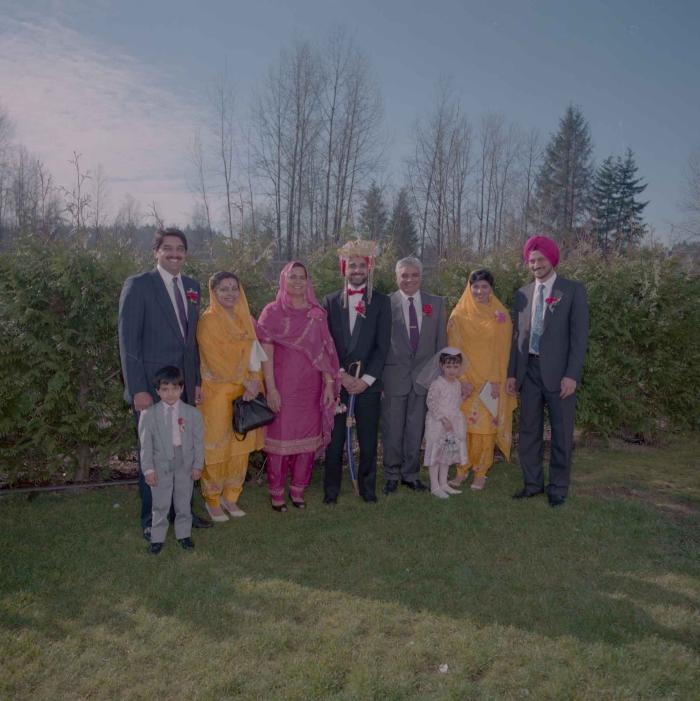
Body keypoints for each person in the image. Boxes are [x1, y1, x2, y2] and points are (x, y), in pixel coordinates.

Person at [118, 227, 212, 540]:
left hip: (182, 388)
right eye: (167, 248)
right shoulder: (139, 285)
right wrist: (137, 389)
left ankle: (182, 511)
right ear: (155, 251)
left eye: (180, 249)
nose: (174, 254)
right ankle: (152, 519)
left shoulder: (192, 286)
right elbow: (128, 341)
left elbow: (191, 342)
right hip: (152, 389)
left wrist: (195, 381)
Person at [507, 236, 589, 507]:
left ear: (552, 259)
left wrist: (572, 375)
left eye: (540, 259)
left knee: (561, 432)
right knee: (528, 430)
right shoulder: (523, 293)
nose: (536, 264)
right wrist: (512, 374)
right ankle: (532, 484)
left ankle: (557, 487)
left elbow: (579, 339)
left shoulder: (573, 291)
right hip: (528, 371)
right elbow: (517, 337)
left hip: (559, 374)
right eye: (531, 260)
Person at [257, 262, 340, 512]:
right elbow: (266, 355)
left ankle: (298, 490)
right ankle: (276, 492)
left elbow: (325, 352)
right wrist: (271, 389)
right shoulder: (271, 312)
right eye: (292, 277)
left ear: (308, 281)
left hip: (311, 387)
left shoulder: (317, 313)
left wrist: (328, 385)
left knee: (306, 441)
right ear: (283, 280)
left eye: (301, 277)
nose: (297, 282)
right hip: (283, 386)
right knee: (279, 442)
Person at [323, 239, 391, 504]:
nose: (357, 270)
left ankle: (367, 489)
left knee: (367, 437)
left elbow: (383, 345)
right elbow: (326, 343)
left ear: (369, 268)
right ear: (344, 268)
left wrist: (366, 380)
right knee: (335, 438)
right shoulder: (330, 301)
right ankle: (331, 490)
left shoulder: (381, 302)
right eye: (352, 265)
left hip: (368, 384)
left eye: (361, 265)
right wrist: (341, 375)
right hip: (338, 382)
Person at [197, 271, 266, 522]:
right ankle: (212, 500)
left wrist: (255, 383)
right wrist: (244, 381)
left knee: (240, 447)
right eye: (223, 289)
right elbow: (213, 361)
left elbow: (254, 354)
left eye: (234, 288)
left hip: (245, 394)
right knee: (217, 447)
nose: (229, 293)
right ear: (213, 292)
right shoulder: (208, 321)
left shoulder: (244, 319)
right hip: (216, 395)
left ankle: (231, 497)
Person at [381, 257, 447, 494]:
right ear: (396, 277)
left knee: (415, 430)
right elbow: (379, 346)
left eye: (414, 275)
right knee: (392, 429)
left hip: (424, 379)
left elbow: (441, 345)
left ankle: (410, 474)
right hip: (393, 378)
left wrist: (436, 380)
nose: (409, 279)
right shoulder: (384, 304)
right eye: (404, 275)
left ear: (421, 276)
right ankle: (391, 474)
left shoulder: (436, 304)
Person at [446, 268, 517, 491]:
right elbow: (453, 350)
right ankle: (461, 469)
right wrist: (462, 379)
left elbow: (504, 351)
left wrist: (497, 380)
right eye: (475, 286)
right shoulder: (458, 315)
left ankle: (481, 472)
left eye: (484, 286)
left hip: (490, 383)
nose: (479, 291)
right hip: (466, 383)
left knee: (486, 431)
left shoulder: (501, 316)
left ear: (491, 288)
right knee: (464, 430)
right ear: (469, 287)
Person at [138, 366, 204, 554]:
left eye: (175, 388)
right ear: (157, 391)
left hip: (185, 462)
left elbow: (199, 442)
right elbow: (146, 445)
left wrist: (198, 465)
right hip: (160, 465)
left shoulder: (193, 414)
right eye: (165, 389)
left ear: (182, 389)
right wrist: (149, 470)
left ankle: (183, 534)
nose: (170, 394)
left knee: (183, 501)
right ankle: (157, 537)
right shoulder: (148, 415)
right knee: (160, 503)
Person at [419, 348, 468, 499]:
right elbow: (431, 403)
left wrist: (462, 399)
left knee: (447, 453)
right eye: (448, 367)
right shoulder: (437, 384)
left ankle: (444, 483)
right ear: (441, 366)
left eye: (455, 367)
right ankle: (434, 486)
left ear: (460, 367)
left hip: (452, 423)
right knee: (436, 453)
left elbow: (455, 401)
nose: (452, 370)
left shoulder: (457, 384)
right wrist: (442, 419)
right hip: (438, 423)